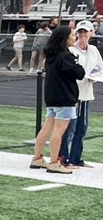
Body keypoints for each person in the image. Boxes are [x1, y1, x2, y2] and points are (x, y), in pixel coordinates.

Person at [31, 26, 86, 175]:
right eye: (72, 35)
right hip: (64, 97)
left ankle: (37, 157)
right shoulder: (65, 56)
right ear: (64, 38)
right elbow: (79, 73)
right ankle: (54, 162)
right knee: (59, 130)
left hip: (51, 96)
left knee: (47, 127)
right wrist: (77, 62)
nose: (75, 37)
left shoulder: (51, 55)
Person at [59, 19, 102, 168]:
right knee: (69, 127)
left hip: (86, 93)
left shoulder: (93, 50)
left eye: (85, 31)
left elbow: (99, 67)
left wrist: (95, 77)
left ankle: (76, 158)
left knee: (82, 128)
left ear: (91, 33)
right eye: (80, 32)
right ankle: (63, 158)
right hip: (72, 94)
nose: (82, 34)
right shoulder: (71, 50)